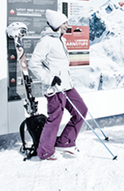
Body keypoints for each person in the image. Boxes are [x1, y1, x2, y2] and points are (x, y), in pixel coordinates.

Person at [29, 9, 88, 160]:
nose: (67, 26)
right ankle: (45, 151)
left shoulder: (61, 39)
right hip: (54, 88)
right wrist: (50, 79)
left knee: (81, 110)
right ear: (56, 24)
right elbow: (33, 64)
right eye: (64, 23)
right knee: (55, 117)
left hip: (67, 86)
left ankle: (65, 142)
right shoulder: (46, 41)